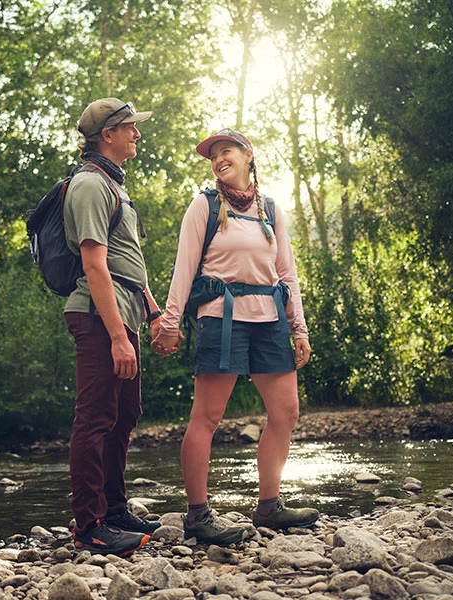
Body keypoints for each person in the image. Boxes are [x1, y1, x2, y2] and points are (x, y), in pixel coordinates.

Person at [152, 128, 319, 544]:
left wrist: (299, 326)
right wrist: (170, 323)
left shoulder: (271, 209)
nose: (218, 159)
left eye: (226, 151)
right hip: (221, 319)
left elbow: (287, 273)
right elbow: (184, 268)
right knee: (207, 417)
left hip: (270, 319)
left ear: (248, 156)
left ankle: (269, 506)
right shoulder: (204, 207)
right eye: (213, 155)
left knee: (286, 412)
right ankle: (198, 514)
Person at [63, 97, 166, 557]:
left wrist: (152, 310)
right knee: (96, 417)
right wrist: (119, 337)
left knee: (124, 414)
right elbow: (95, 265)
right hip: (98, 315)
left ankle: (115, 509)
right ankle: (90, 525)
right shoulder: (88, 184)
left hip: (124, 312)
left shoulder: (112, 184)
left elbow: (127, 264)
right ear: (107, 135)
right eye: (129, 127)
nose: (137, 134)